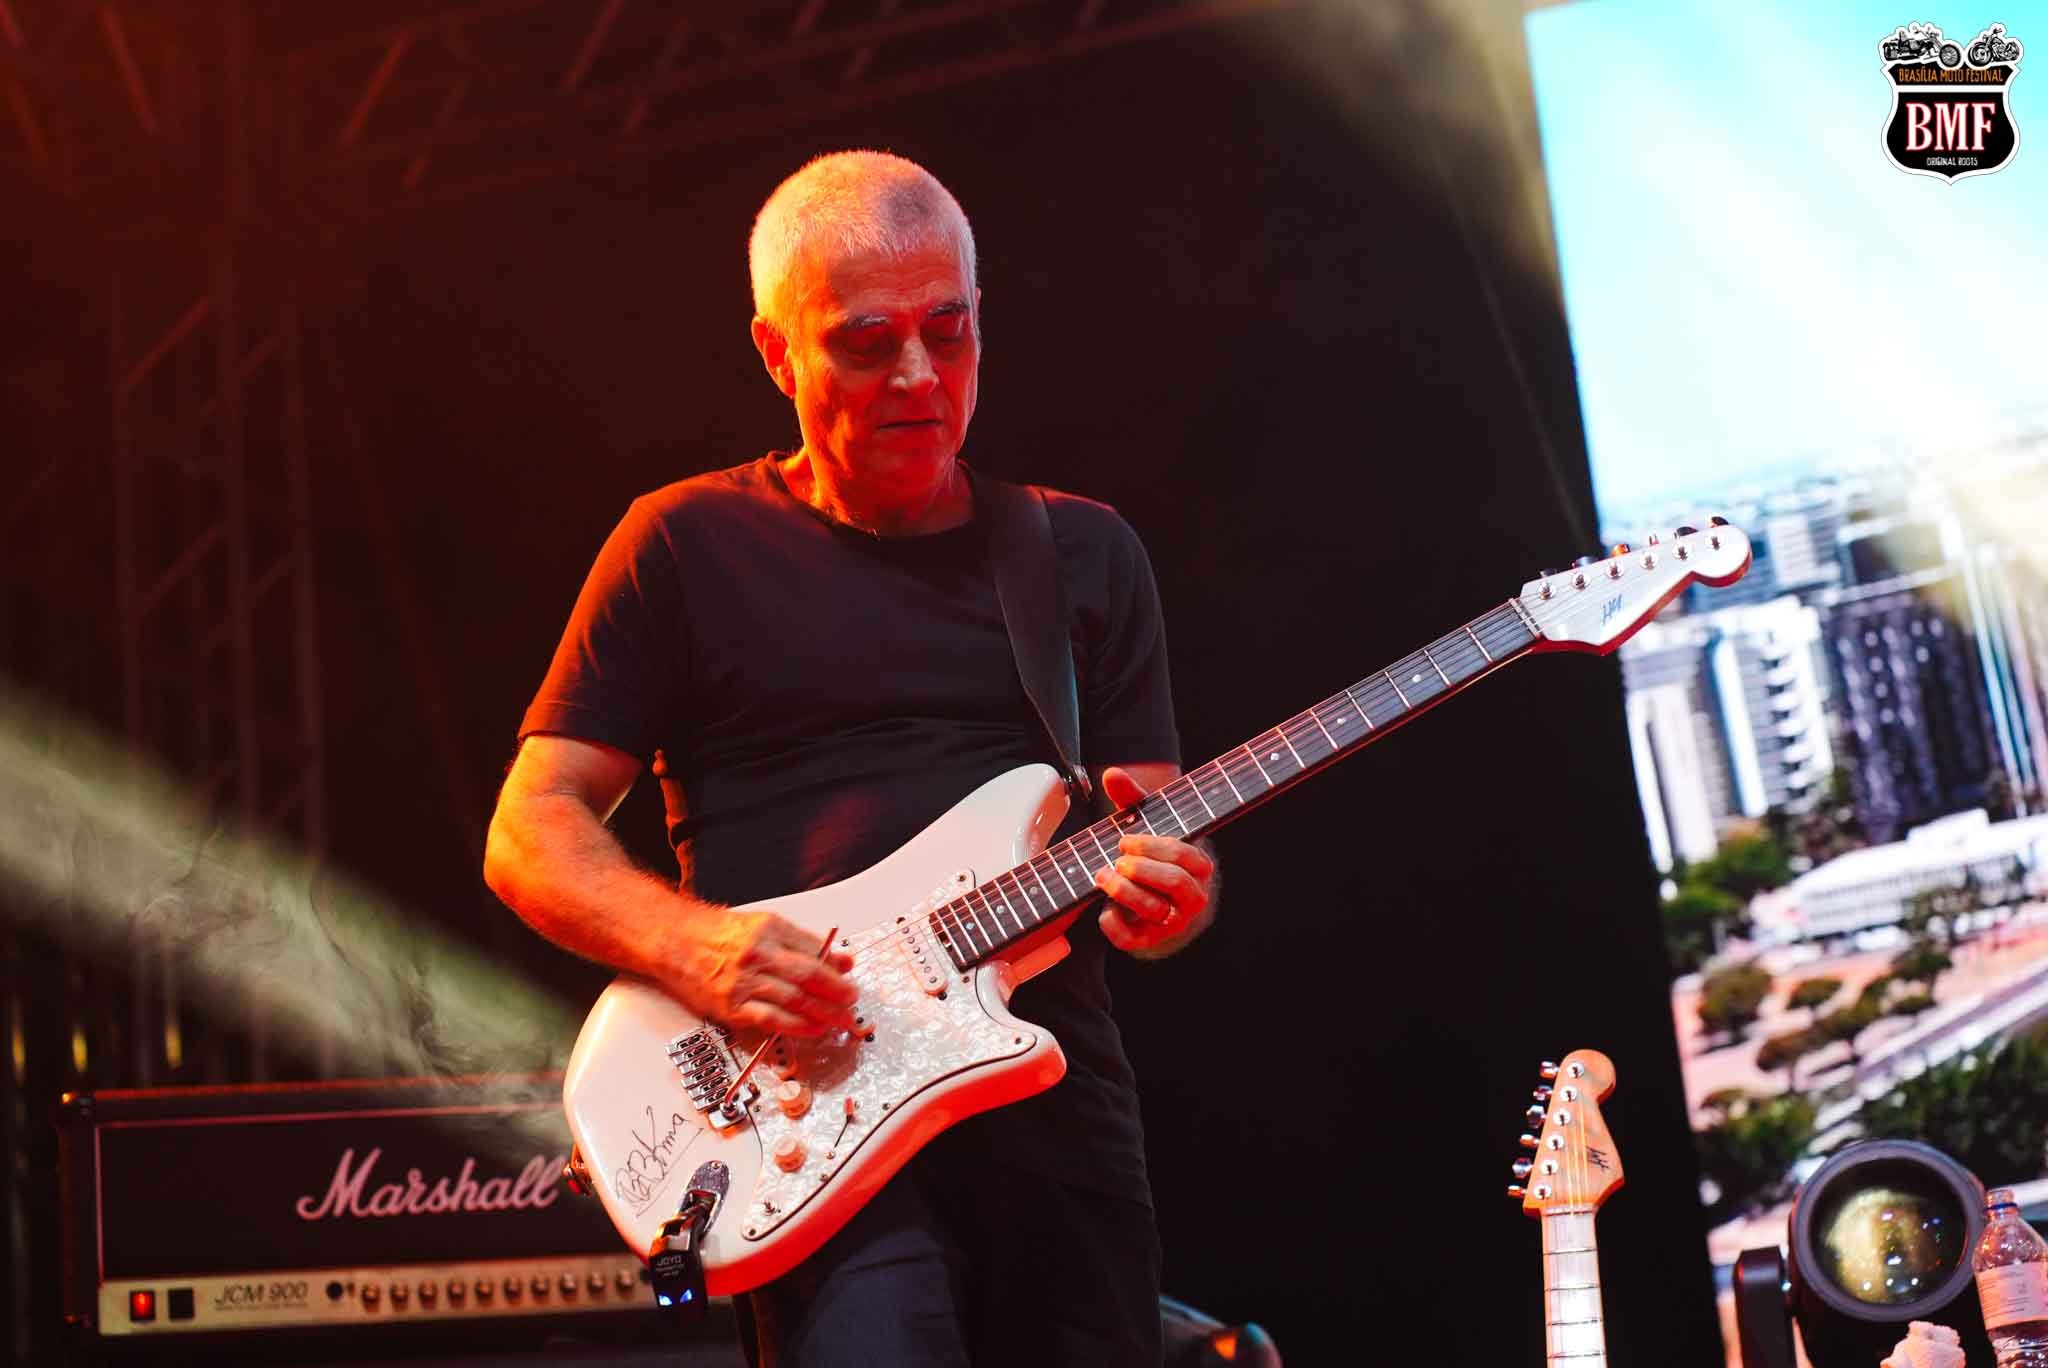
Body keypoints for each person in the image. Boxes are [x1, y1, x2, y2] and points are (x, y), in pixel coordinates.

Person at [483, 149, 1217, 1367]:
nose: (919, 375)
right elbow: (530, 827)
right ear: (778, 354)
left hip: (1052, 1111)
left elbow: (1153, 830)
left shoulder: (1081, 554)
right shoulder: (682, 545)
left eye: (949, 330)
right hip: (806, 1116)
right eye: (867, 343)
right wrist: (696, 948)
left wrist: (1172, 898)